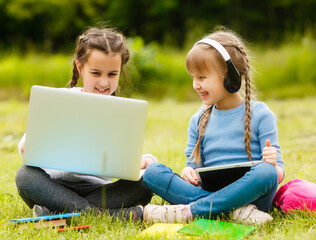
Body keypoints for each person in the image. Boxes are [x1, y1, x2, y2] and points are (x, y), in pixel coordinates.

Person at [142, 29, 285, 225]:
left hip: (252, 197)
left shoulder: (261, 114)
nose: (195, 85)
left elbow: (277, 175)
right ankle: (235, 212)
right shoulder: (197, 120)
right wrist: (188, 173)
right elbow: (193, 169)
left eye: (202, 77)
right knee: (152, 172)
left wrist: (273, 164)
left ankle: (191, 211)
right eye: (193, 77)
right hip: (211, 192)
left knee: (266, 173)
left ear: (230, 77)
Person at [15, 27, 156, 221]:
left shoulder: (122, 110)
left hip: (100, 190)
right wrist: (27, 144)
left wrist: (147, 161)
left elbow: (129, 156)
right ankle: (108, 216)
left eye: (112, 74)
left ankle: (57, 212)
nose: (104, 82)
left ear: (120, 71)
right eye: (96, 73)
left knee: (148, 182)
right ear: (80, 68)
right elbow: (27, 146)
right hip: (55, 186)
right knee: (25, 176)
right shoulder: (59, 99)